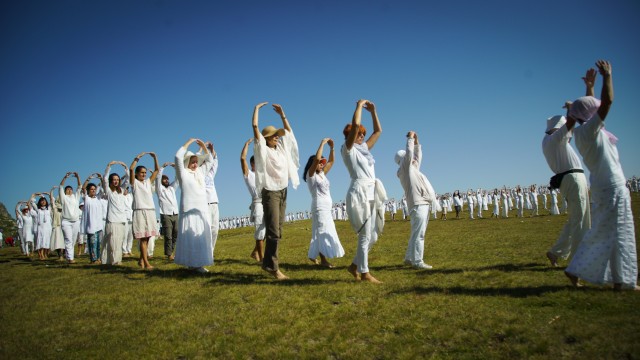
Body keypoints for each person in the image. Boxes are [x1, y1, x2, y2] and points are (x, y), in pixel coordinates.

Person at [564, 60, 638, 290]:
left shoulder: (583, 132)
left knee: (609, 233)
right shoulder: (590, 131)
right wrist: (608, 77)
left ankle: (620, 280)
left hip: (604, 186)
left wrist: (589, 88)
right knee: (618, 233)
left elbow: (589, 109)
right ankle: (620, 280)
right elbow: (607, 103)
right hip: (612, 186)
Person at [252, 102, 300, 280]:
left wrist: (283, 115)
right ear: (266, 138)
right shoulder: (262, 149)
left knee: (278, 230)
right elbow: (255, 127)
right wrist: (256, 109)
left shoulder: (281, 148)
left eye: (276, 136)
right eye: (273, 136)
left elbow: (289, 135)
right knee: (273, 231)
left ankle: (267, 264)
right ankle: (273, 267)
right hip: (270, 191)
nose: (277, 138)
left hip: (282, 190)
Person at [342, 99, 387, 283]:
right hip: (359, 192)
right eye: (358, 133)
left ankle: (354, 265)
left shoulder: (364, 149)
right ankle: (365, 273)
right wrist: (359, 107)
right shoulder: (348, 149)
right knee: (365, 233)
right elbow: (353, 130)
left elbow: (378, 131)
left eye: (362, 134)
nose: (361, 136)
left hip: (371, 191)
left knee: (374, 235)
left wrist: (373, 112)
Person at [542, 113, 590, 267]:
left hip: (571, 178)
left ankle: (556, 252)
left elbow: (568, 131)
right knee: (580, 221)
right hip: (573, 178)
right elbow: (568, 126)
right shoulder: (554, 138)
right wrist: (573, 112)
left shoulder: (553, 141)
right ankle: (579, 261)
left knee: (576, 219)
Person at [395, 130, 436, 269]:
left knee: (415, 233)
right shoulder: (405, 169)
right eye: (408, 157)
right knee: (420, 235)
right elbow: (410, 153)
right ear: (403, 160)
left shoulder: (411, 169)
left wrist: (417, 142)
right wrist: (410, 138)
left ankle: (408, 258)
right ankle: (418, 261)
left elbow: (417, 157)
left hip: (420, 203)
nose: (412, 159)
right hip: (419, 204)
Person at [174, 138, 214, 273]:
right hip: (188, 209)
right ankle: (192, 264)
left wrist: (203, 146)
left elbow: (210, 161)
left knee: (200, 238)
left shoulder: (201, 173)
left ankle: (198, 264)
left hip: (201, 209)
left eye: (196, 162)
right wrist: (188, 142)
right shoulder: (183, 174)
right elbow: (177, 157)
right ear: (187, 163)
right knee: (190, 238)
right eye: (192, 162)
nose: (195, 164)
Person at [304, 138, 345, 268]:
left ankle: (315, 255)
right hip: (319, 207)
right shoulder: (311, 176)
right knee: (321, 232)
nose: (322, 164)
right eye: (320, 162)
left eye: (322, 162)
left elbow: (332, 161)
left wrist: (332, 148)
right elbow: (316, 160)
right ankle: (323, 260)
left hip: (326, 208)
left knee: (324, 231)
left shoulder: (322, 174)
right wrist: (322, 144)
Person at [130, 152, 160, 270]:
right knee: (142, 238)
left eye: (145, 173)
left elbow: (157, 170)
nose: (143, 174)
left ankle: (141, 260)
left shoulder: (147, 182)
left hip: (150, 211)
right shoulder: (134, 183)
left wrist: (155, 157)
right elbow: (131, 169)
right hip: (140, 211)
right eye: (141, 173)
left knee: (148, 238)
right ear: (137, 174)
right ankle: (146, 263)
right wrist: (137, 158)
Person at [240, 138, 265, 262]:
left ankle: (255, 252)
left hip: (266, 202)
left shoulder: (262, 174)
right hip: (257, 203)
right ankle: (261, 258)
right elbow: (242, 159)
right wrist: (246, 144)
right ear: (252, 164)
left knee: (266, 231)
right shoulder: (249, 174)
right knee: (260, 231)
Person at [101, 161, 129, 265]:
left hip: (121, 220)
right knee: (112, 242)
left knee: (119, 242)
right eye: (114, 180)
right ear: (111, 181)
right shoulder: (108, 191)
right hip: (112, 220)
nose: (116, 181)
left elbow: (127, 179)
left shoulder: (121, 190)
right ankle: (110, 260)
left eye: (117, 180)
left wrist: (125, 167)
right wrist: (109, 166)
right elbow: (104, 179)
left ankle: (117, 260)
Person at [156, 162, 179, 260]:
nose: (166, 180)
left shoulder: (171, 188)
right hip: (165, 214)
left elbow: (178, 179)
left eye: (167, 179)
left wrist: (176, 168)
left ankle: (171, 251)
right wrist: (162, 167)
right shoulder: (160, 189)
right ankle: (169, 254)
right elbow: (157, 179)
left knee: (176, 234)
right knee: (168, 235)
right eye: (164, 179)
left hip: (175, 213)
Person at [59, 172, 82, 263]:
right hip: (66, 221)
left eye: (70, 189)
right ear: (65, 191)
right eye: (67, 189)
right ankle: (70, 258)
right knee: (68, 239)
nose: (69, 190)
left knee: (73, 240)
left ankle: (69, 255)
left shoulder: (75, 197)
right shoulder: (63, 198)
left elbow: (79, 187)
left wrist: (78, 177)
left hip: (75, 221)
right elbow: (60, 186)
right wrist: (65, 177)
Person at [81, 175, 104, 264]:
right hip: (91, 225)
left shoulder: (98, 198)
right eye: (91, 189)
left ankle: (98, 258)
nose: (93, 190)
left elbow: (104, 187)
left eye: (94, 189)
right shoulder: (86, 198)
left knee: (98, 243)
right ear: (88, 190)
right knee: (92, 243)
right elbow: (83, 188)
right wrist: (88, 178)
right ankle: (93, 259)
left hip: (99, 225)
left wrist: (101, 179)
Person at [204, 141, 220, 262]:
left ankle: (211, 252)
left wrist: (212, 150)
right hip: (204, 205)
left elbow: (215, 162)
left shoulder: (210, 175)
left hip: (214, 203)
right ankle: (205, 253)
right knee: (206, 230)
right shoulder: (197, 174)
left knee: (215, 229)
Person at [29, 192, 52, 260]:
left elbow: (52, 200)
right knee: (41, 241)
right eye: (41, 201)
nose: (43, 202)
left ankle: (45, 254)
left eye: (44, 201)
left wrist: (48, 194)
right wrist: (34, 195)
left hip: (48, 227)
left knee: (47, 241)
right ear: (40, 202)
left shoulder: (49, 209)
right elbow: (31, 203)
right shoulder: (38, 210)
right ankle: (41, 254)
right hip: (40, 227)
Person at [48, 187, 65, 260]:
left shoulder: (65, 208)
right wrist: (52, 190)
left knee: (64, 242)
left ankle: (64, 255)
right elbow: (51, 200)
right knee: (58, 242)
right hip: (57, 227)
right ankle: (60, 255)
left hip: (64, 226)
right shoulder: (54, 207)